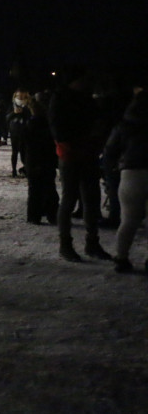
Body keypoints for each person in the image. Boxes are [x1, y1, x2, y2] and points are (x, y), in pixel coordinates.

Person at [50, 69, 111, 263]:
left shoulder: (87, 98)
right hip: (70, 154)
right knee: (69, 198)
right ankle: (65, 244)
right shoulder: (60, 99)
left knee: (91, 198)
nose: (86, 83)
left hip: (88, 153)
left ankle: (92, 242)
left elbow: (99, 120)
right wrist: (79, 141)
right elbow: (58, 130)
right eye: (82, 79)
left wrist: (96, 139)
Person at [103, 89, 148, 273]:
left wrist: (110, 174)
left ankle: (121, 258)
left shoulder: (124, 125)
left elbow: (109, 151)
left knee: (128, 220)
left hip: (131, 173)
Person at [24, 97, 59, 224]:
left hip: (33, 160)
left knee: (35, 190)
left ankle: (34, 215)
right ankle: (51, 214)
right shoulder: (46, 124)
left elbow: (27, 145)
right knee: (49, 188)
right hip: (45, 159)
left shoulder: (30, 123)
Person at [7, 90, 31, 178]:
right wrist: (14, 113)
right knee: (15, 152)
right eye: (19, 96)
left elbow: (31, 116)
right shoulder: (12, 105)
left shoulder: (28, 106)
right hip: (15, 132)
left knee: (24, 152)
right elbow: (7, 118)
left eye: (23, 97)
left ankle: (26, 169)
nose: (20, 98)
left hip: (25, 132)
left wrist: (24, 112)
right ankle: (14, 170)